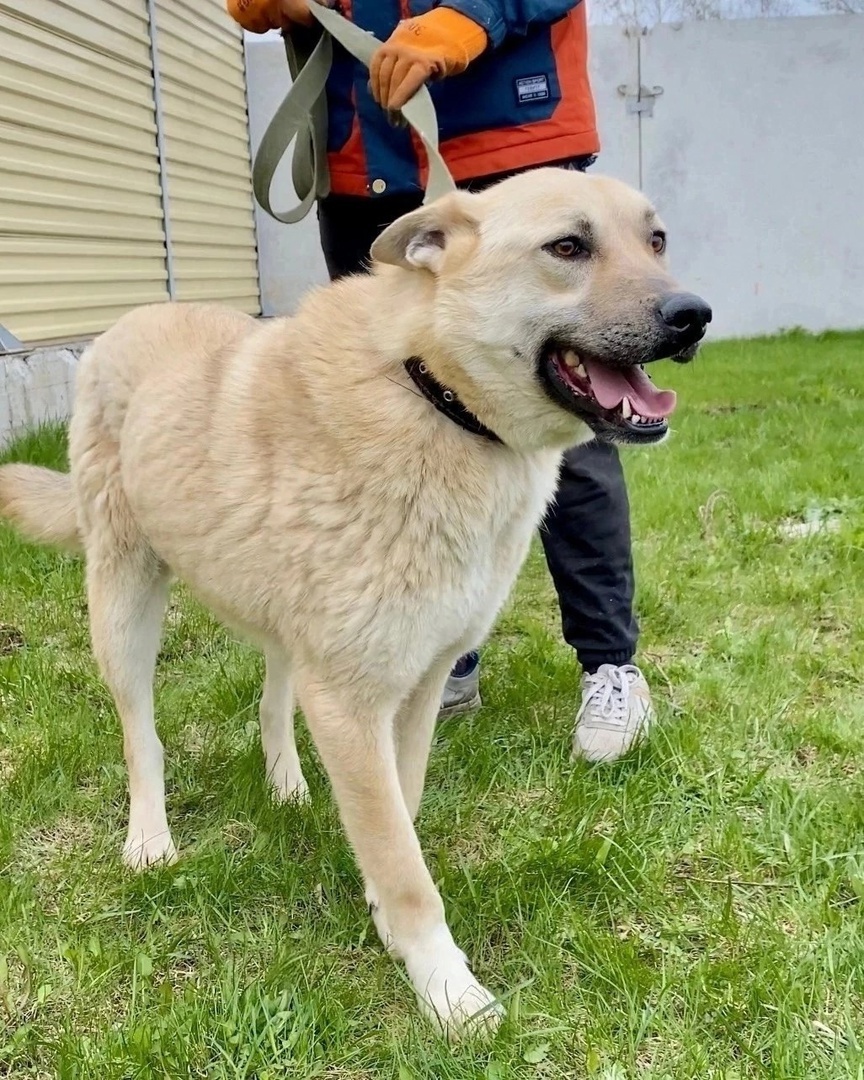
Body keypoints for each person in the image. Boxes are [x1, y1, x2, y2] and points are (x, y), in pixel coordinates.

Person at [228, 0, 655, 763]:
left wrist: (466, 19)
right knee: (399, 414)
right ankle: (437, 652)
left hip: (508, 130)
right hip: (368, 155)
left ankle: (608, 664)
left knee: (572, 404)